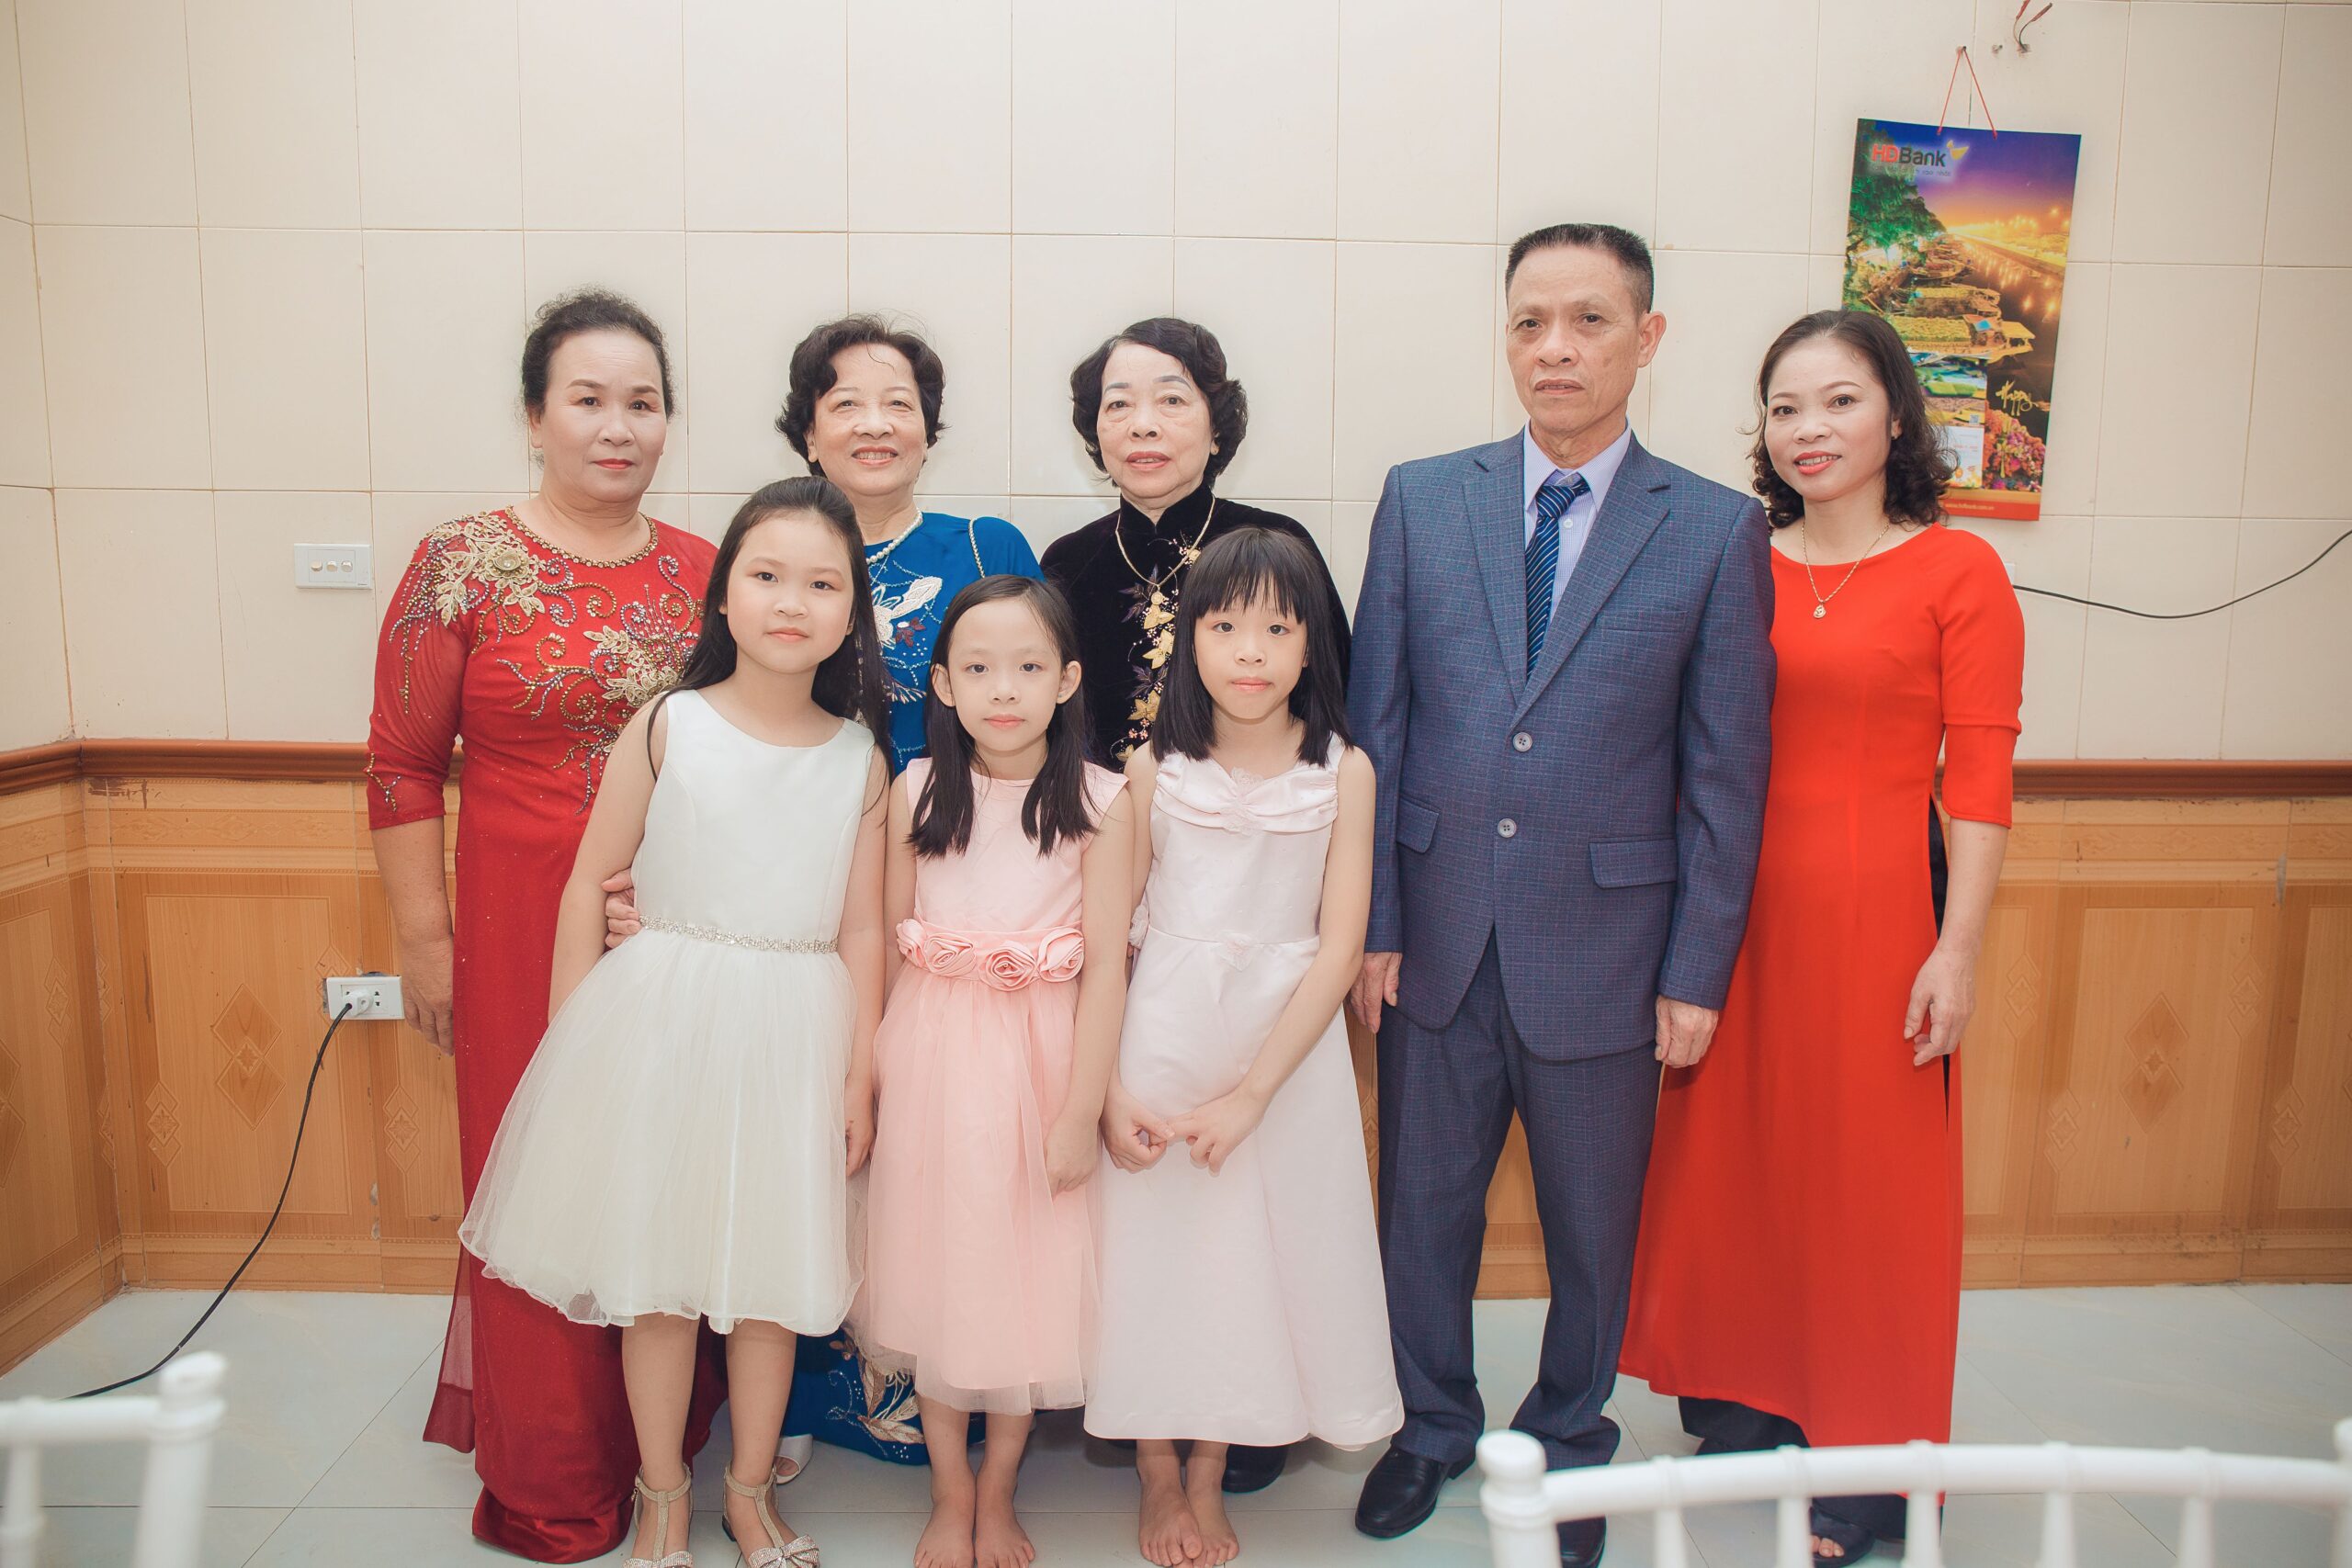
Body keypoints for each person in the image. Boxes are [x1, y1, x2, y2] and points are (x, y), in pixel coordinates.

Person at [1346, 223, 1775, 1568]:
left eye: (1589, 320)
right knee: (1421, 1211)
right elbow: (1376, 730)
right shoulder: (1423, 498)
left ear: (1647, 338)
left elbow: (1725, 775)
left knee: (1596, 1228)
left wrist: (1696, 969)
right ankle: (1430, 1424)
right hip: (1435, 935)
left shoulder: (1715, 528)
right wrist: (1374, 924)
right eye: (1531, 321)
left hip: (1611, 944)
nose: (1556, 348)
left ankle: (1572, 1441)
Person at [1622, 310, 2023, 1565]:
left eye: (1840, 400)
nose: (1809, 429)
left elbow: (1980, 781)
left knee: (1867, 1192)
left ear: (1896, 414)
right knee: (1735, 1163)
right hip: (1726, 917)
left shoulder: (1958, 570)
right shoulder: (1734, 554)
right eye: (1785, 406)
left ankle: (1870, 1457)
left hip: (1876, 920)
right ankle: (1748, 1402)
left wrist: (1957, 948)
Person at [459, 476, 892, 1568]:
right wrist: (575, 1045)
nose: (790, 602)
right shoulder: (669, 724)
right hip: (662, 1022)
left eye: (822, 584)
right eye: (766, 575)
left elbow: (861, 933)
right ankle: (661, 1495)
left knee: (768, 1288)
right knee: (655, 1281)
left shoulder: (859, 759)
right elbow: (589, 882)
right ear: (724, 595)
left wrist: (859, 1074)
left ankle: (747, 1495)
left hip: (794, 1032)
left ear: (851, 613)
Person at [366, 289, 726, 1561]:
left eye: (643, 402)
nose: (617, 427)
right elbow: (401, 765)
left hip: (672, 924)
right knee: (538, 1181)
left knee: (659, 1173)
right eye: (588, 399)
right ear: (535, 416)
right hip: (517, 924)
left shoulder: (707, 571)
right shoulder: (460, 561)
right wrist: (427, 942)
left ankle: (661, 1442)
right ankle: (555, 1471)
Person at [1088, 526, 1402, 1568]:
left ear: (1312, 647)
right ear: (1191, 640)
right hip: (1164, 1035)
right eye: (1225, 626)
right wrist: (1108, 1084)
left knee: (1247, 1262)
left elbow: (1339, 946)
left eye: (1277, 627)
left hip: (1284, 1056)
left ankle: (1209, 1470)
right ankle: (1155, 1468)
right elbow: (1112, 939)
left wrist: (1254, 1092)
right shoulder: (1153, 767)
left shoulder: (1344, 771)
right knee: (1155, 1251)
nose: (1251, 651)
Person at [854, 575, 1135, 1568]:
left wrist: (1081, 1108)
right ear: (942, 683)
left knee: (1027, 1277)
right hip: (932, 1058)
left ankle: (1002, 1486)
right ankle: (949, 1487)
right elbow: (887, 944)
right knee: (939, 1269)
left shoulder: (1104, 800)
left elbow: (1108, 969)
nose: (1002, 689)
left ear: (1067, 679)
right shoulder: (915, 790)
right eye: (977, 668)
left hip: (1044, 1060)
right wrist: (871, 1078)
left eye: (1026, 667)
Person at [1043, 318, 1351, 771]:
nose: (1143, 426)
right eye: (1119, 404)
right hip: (1098, 808)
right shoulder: (1068, 560)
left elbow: (1333, 696)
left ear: (1217, 431)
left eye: (1172, 400)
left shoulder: (1278, 545)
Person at [778, 314, 1042, 770]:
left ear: (926, 434)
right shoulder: (773, 559)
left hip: (954, 809)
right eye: (846, 404)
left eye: (898, 404)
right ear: (810, 438)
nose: (875, 425)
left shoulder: (987, 548)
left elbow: (1051, 701)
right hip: (806, 802)